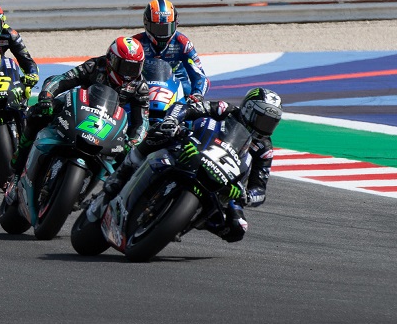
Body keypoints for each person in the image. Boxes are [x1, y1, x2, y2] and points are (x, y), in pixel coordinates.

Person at [87, 89, 281, 243]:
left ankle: (187, 221)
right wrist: (172, 121)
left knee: (238, 228)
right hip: (192, 149)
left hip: (223, 182)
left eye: (271, 123)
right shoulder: (226, 110)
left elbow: (260, 189)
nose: (266, 127)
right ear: (248, 110)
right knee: (159, 132)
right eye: (263, 120)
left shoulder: (264, 149)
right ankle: (122, 173)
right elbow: (187, 108)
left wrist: (247, 196)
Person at [14, 36, 149, 172]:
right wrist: (47, 96)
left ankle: (112, 184)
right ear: (111, 60)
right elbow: (63, 79)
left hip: (110, 122)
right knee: (37, 114)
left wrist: (134, 141)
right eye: (125, 66)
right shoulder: (95, 66)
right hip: (80, 107)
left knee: (130, 156)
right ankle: (19, 159)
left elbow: (142, 121)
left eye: (134, 68)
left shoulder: (140, 87)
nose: (128, 74)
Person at [132, 0, 209, 102]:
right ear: (146, 24)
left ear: (175, 24)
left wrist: (197, 94)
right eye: (157, 28)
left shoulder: (183, 43)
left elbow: (199, 75)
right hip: (144, 90)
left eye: (167, 28)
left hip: (179, 89)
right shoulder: (135, 43)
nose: (162, 33)